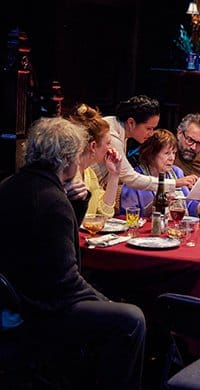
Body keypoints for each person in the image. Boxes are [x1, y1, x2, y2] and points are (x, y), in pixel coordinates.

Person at [0, 117, 146, 389]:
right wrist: (107, 303)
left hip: (14, 298)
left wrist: (75, 205)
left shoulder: (10, 184)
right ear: (67, 159)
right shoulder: (52, 201)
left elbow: (51, 244)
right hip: (43, 309)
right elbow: (66, 281)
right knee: (131, 319)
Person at [92, 94, 197, 192]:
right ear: (131, 122)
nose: (151, 134)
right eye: (148, 128)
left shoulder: (120, 129)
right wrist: (176, 183)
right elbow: (131, 178)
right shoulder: (111, 135)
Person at [120, 128, 200, 217]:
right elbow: (127, 216)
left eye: (174, 153)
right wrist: (156, 206)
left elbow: (189, 207)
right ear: (151, 155)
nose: (172, 158)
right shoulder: (135, 177)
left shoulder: (176, 172)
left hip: (175, 229)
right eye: (167, 153)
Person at [66, 103, 122, 217]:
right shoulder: (67, 175)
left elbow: (104, 213)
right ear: (93, 146)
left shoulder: (89, 174)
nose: (110, 148)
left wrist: (114, 175)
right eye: (108, 143)